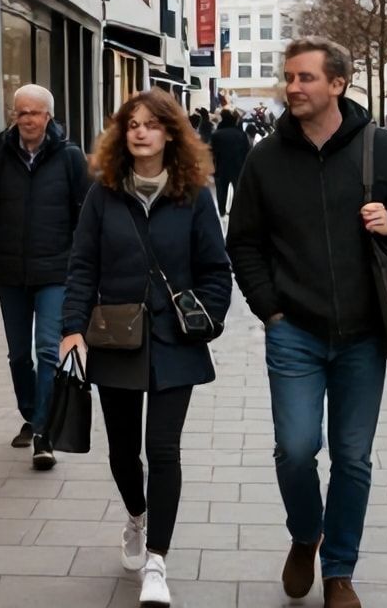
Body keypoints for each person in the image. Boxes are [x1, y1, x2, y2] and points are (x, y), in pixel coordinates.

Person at [226, 38, 387, 608]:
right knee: (296, 450)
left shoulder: (382, 150)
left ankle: (339, 570)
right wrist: (270, 310)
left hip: (364, 337)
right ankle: (306, 534)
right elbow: (243, 242)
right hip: (293, 331)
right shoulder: (265, 159)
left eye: (305, 78)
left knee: (352, 457)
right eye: (289, 78)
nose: (293, 87)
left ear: (338, 85)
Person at [59, 89, 231, 608]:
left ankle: (157, 561)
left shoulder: (194, 193)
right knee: (122, 452)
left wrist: (207, 318)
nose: (140, 132)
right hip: (115, 336)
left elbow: (216, 269)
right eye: (131, 124)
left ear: (170, 133)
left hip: (175, 340)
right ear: (121, 134)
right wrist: (71, 329)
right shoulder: (103, 192)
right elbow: (82, 265)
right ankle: (136, 513)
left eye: (152, 124)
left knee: (164, 449)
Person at [0, 84, 89, 470]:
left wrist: (86, 268)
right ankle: (32, 412)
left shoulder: (70, 159)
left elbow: (86, 216)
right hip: (11, 273)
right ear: (14, 116)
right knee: (19, 355)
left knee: (49, 351)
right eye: (21, 113)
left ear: (48, 117)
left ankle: (44, 432)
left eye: (35, 113)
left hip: (55, 271)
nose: (28, 120)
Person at [209, 109, 250, 216]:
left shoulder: (216, 135)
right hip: (238, 166)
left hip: (221, 166)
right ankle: (236, 211)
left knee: (221, 191)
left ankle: (222, 211)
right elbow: (247, 151)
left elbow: (210, 152)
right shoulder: (241, 134)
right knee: (238, 190)